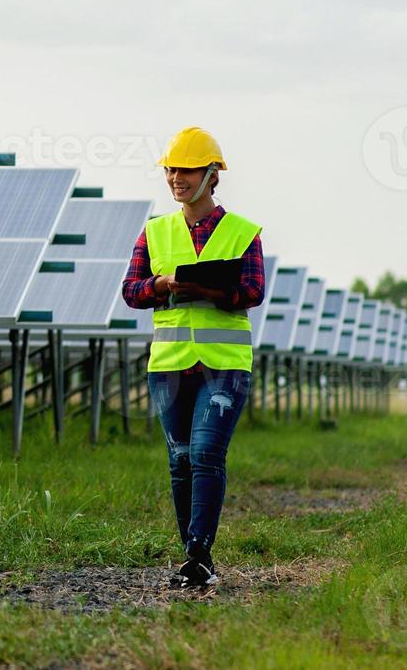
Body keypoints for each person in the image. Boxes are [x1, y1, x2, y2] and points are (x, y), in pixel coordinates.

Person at [121, 126, 265, 589]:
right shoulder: (155, 231)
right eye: (170, 169)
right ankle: (194, 559)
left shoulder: (243, 233)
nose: (175, 177)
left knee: (206, 452)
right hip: (170, 365)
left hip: (224, 364)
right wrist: (162, 286)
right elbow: (131, 291)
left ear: (211, 176)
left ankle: (200, 551)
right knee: (180, 458)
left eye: (184, 169)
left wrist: (206, 289)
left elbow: (253, 291)